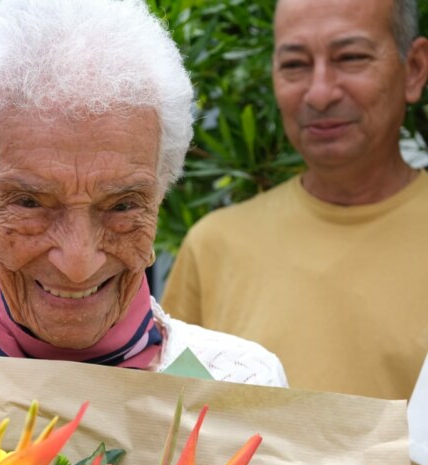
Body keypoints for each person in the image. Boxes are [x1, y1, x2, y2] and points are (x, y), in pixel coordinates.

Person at [0, 0, 287, 388]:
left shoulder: (242, 385)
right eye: (31, 202)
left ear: (160, 193)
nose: (78, 263)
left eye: (121, 205)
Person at [162, 0, 428, 400]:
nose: (319, 93)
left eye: (351, 57)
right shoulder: (215, 246)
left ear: (414, 69)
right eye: (295, 65)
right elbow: (170, 423)